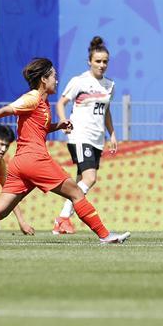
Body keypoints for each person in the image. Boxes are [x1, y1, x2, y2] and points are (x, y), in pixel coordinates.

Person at [0, 58, 130, 244]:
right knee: (76, 193)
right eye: (54, 76)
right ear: (43, 79)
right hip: (34, 160)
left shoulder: (42, 103)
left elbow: (39, 128)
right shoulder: (32, 97)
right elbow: (6, 110)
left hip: (20, 164)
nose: (57, 81)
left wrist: (57, 126)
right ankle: (105, 236)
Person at [52, 36, 117, 235]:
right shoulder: (79, 82)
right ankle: (63, 218)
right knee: (90, 178)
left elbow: (106, 111)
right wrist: (63, 121)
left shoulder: (109, 85)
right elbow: (61, 102)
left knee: (80, 181)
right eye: (98, 61)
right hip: (80, 136)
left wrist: (112, 134)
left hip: (97, 139)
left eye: (105, 61)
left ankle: (62, 222)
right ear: (89, 61)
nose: (102, 65)